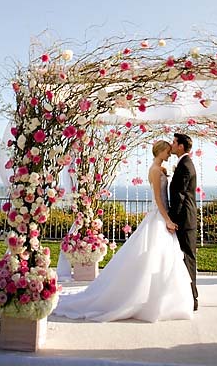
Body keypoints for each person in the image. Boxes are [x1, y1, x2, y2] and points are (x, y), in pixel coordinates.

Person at [52, 140, 194, 322]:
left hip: (160, 217)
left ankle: (163, 300)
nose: (169, 154)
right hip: (159, 217)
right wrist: (167, 220)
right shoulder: (155, 170)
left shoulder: (159, 169)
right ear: (159, 152)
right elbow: (158, 199)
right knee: (155, 257)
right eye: (167, 151)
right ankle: (149, 301)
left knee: (162, 259)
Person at [169, 132, 199, 311]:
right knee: (183, 257)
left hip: (184, 219)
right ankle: (185, 296)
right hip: (184, 218)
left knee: (187, 257)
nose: (172, 145)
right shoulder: (183, 164)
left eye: (174, 142)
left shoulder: (185, 166)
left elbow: (180, 197)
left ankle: (193, 298)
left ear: (181, 146)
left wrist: (172, 220)